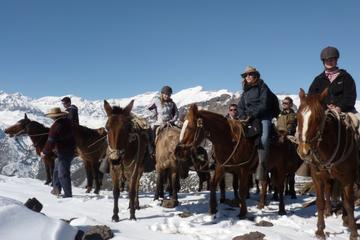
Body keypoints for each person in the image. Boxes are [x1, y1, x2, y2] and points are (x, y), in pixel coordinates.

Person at [237, 66, 274, 181]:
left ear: (256, 76)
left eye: (250, 74)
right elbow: (240, 106)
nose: (247, 77)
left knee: (264, 137)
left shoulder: (262, 87)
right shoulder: (245, 91)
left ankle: (262, 166)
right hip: (248, 119)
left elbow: (263, 104)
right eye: (246, 75)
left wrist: (252, 115)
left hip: (263, 117)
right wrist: (243, 116)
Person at [309, 46, 357, 115]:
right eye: (326, 60)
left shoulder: (346, 77)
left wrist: (339, 107)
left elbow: (350, 96)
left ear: (336, 60)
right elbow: (311, 97)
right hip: (322, 111)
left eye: (331, 60)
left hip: (345, 111)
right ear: (323, 62)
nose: (329, 62)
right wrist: (325, 106)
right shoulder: (318, 79)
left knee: (357, 122)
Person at [41, 107, 76, 198]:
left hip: (63, 152)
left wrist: (44, 152)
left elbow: (50, 142)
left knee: (62, 173)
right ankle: (56, 189)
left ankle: (68, 194)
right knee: (56, 171)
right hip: (71, 149)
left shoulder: (55, 127)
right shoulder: (67, 121)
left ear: (53, 117)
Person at [147, 86, 179, 156]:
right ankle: (152, 151)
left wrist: (171, 121)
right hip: (159, 123)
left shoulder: (172, 104)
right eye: (165, 94)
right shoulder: (156, 101)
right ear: (162, 94)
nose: (167, 96)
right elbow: (149, 109)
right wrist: (153, 115)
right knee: (150, 133)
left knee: (180, 132)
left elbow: (176, 114)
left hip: (169, 123)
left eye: (169, 94)